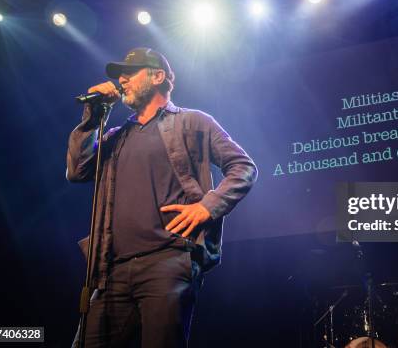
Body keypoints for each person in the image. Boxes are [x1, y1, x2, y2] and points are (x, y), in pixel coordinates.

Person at [66, 47, 257, 347]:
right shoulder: (115, 137)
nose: (122, 80)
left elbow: (243, 167)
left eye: (130, 73)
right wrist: (93, 117)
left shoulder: (192, 122)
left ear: (158, 76)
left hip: (167, 262)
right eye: (120, 76)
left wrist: (207, 207)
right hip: (112, 270)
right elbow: (76, 170)